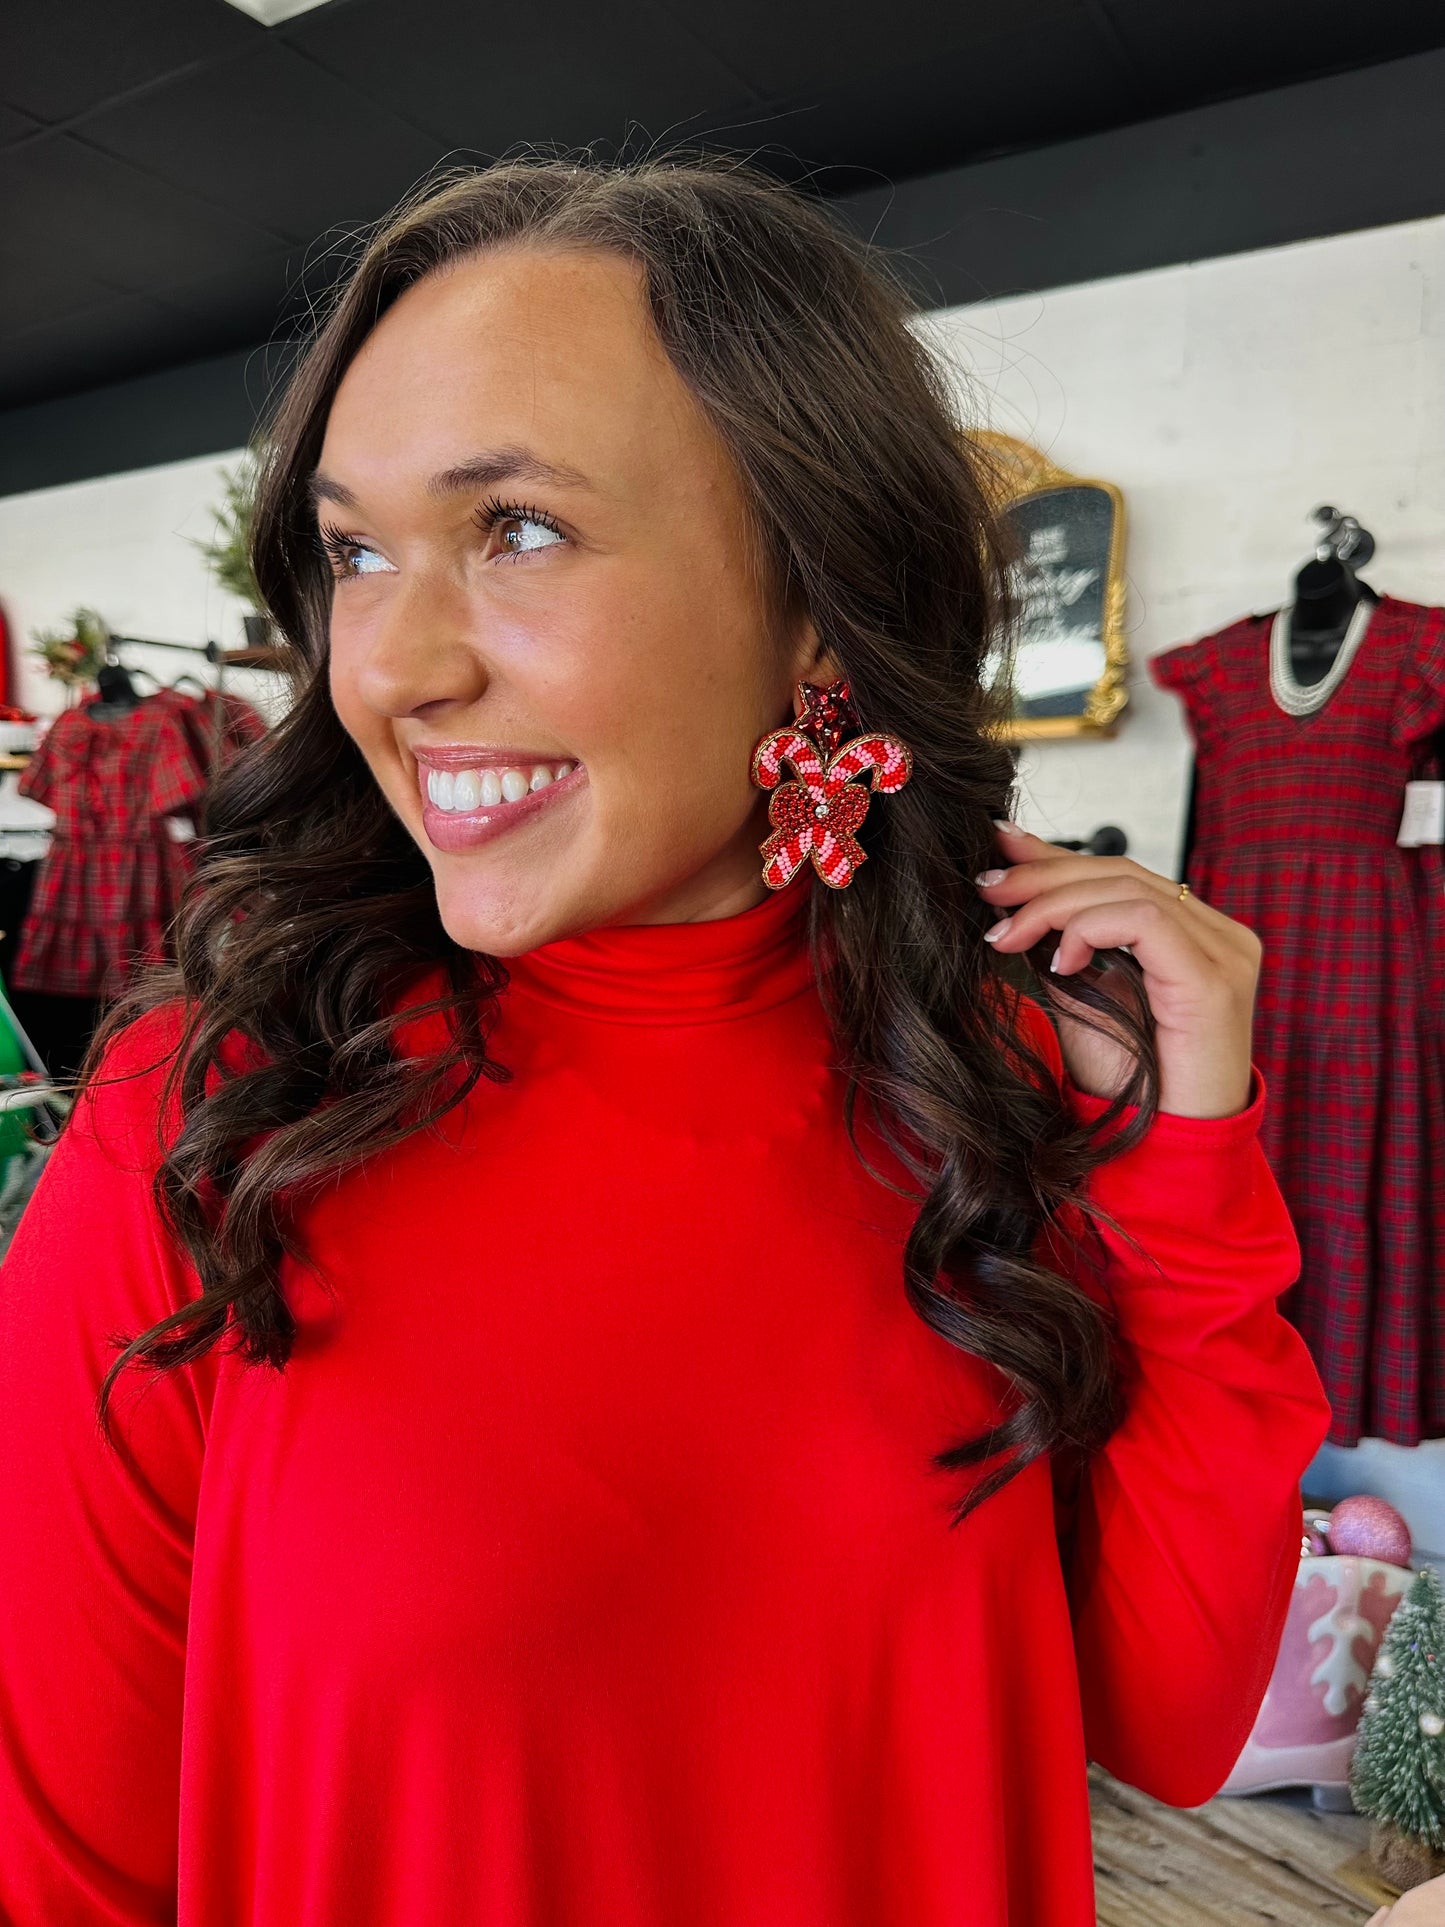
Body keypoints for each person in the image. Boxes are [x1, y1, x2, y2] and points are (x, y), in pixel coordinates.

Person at [0, 151, 1333, 1926]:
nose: (388, 666)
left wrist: (1187, 1161)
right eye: (352, 553)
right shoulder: (211, 1134)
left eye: (517, 529)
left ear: (811, 598)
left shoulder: (999, 1080)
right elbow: (61, 1866)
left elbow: (1166, 1726)